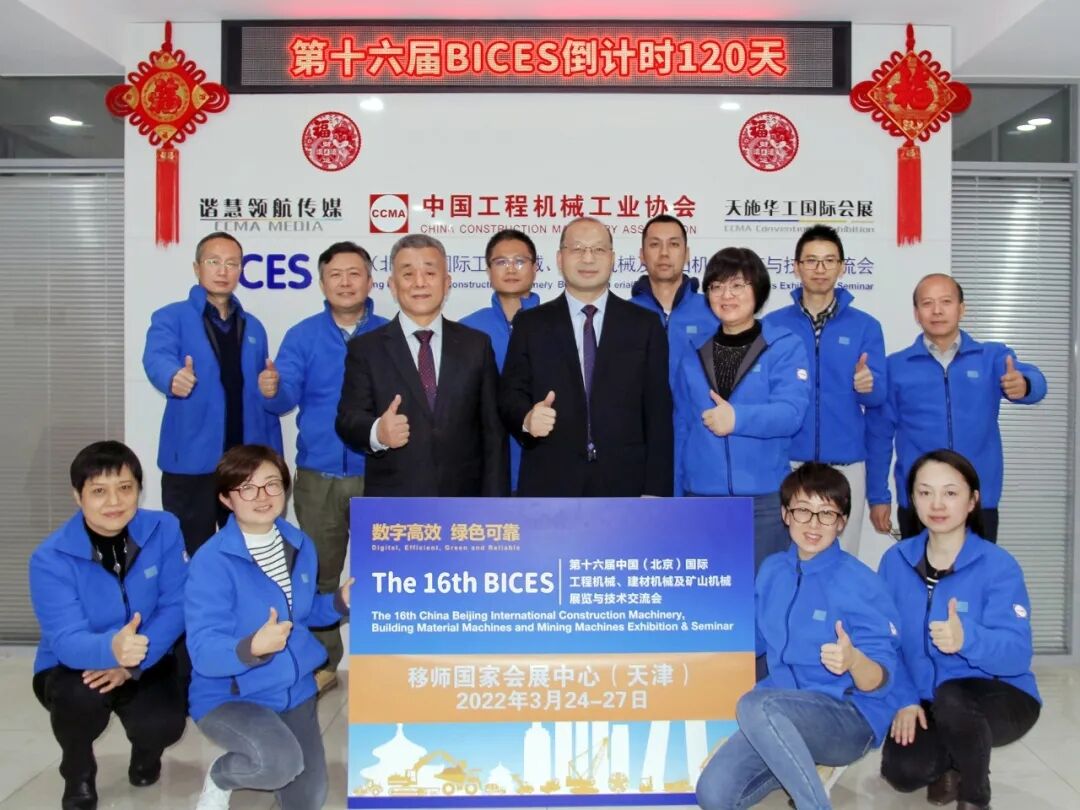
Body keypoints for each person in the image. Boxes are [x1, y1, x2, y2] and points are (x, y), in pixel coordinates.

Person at [695, 463, 903, 810]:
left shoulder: (861, 583)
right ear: (785, 514)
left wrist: (854, 660)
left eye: (827, 514)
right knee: (713, 795)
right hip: (781, 712)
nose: (813, 524)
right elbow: (753, 640)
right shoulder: (772, 570)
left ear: (842, 522)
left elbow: (879, 682)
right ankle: (800, 761)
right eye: (803, 510)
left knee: (754, 704)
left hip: (848, 716)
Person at [186, 445, 353, 810]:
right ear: (226, 499)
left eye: (272, 484)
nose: (262, 496)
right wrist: (251, 647)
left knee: (308, 800)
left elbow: (303, 614)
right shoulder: (211, 561)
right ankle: (222, 774)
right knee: (278, 765)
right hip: (232, 696)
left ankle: (268, 752)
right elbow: (203, 649)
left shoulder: (300, 545)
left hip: (294, 691)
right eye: (247, 488)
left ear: (285, 489)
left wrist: (340, 602)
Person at [877, 449, 1040, 810]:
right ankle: (957, 758)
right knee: (903, 772)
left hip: (1000, 694)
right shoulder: (895, 561)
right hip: (927, 697)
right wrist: (904, 698)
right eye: (925, 492)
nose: (937, 504)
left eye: (950, 492)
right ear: (913, 499)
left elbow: (1017, 655)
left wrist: (968, 639)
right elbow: (884, 643)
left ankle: (975, 795)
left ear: (972, 500)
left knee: (954, 698)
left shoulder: (998, 566)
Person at [29, 441, 188, 810]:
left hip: (146, 654)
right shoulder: (50, 558)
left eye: (125, 488)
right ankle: (78, 771)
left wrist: (131, 663)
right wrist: (111, 651)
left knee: (165, 724)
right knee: (78, 700)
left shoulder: (164, 529)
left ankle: (147, 752)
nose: (114, 501)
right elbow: (66, 639)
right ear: (78, 495)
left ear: (139, 490)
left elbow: (177, 605)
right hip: (73, 665)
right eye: (99, 491)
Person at [261, 241, 387, 695]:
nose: (345, 282)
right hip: (319, 477)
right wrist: (272, 390)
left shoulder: (390, 333)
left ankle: (386, 663)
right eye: (336, 274)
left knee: (383, 574)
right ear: (322, 282)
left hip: (381, 473)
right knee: (320, 576)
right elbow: (283, 397)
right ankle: (324, 662)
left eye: (355, 273)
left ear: (370, 280)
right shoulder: (303, 335)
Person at [499, 216, 673, 497]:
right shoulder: (530, 324)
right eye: (577, 249)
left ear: (612, 259)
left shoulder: (645, 325)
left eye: (598, 249)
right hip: (550, 482)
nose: (588, 258)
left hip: (626, 484)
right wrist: (526, 418)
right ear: (559, 259)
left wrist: (656, 489)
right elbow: (510, 395)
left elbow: (658, 413)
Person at [867, 273, 1046, 542]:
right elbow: (878, 436)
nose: (937, 311)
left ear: (962, 309)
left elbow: (1037, 382)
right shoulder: (896, 366)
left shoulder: (991, 357)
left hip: (978, 499)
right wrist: (878, 497)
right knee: (919, 570)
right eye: (927, 303)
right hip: (920, 499)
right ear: (916, 313)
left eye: (946, 302)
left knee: (977, 570)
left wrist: (1025, 384)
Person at [142, 231, 283, 556]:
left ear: (241, 270)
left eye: (232, 263)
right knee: (191, 556)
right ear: (197, 268)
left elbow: (262, 392)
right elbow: (156, 357)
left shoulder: (253, 326)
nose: (223, 270)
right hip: (191, 464)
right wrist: (172, 376)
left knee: (247, 553)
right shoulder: (171, 317)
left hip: (243, 467)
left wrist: (272, 456)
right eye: (214, 262)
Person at [335, 234, 508, 496]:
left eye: (430, 273)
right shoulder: (366, 349)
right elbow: (348, 420)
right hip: (395, 501)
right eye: (408, 274)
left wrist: (494, 504)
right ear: (392, 286)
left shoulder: (476, 345)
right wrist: (378, 432)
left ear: (447, 283)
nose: (419, 282)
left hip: (464, 499)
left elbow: (493, 433)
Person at [674, 247, 809, 572]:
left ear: (757, 290)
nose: (726, 295)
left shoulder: (784, 345)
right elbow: (681, 427)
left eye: (737, 285)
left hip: (763, 502)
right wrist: (677, 496)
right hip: (700, 499)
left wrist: (738, 419)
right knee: (708, 594)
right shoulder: (693, 351)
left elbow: (791, 413)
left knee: (760, 592)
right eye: (717, 286)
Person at [763, 225, 886, 556]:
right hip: (788, 462)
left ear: (842, 267)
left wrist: (867, 386)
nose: (820, 269)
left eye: (829, 260)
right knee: (787, 557)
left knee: (842, 558)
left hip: (845, 464)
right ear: (796, 267)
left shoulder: (865, 326)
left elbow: (878, 398)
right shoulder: (773, 325)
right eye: (811, 260)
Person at [461, 229, 542, 492]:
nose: (511, 269)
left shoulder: (556, 323)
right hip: (484, 470)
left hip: (545, 466)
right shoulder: (466, 330)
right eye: (501, 262)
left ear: (535, 268)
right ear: (488, 270)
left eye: (520, 261)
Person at [629, 213, 718, 382]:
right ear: (642, 255)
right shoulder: (624, 314)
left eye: (674, 244)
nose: (664, 253)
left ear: (687, 254)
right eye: (655, 244)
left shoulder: (714, 311)